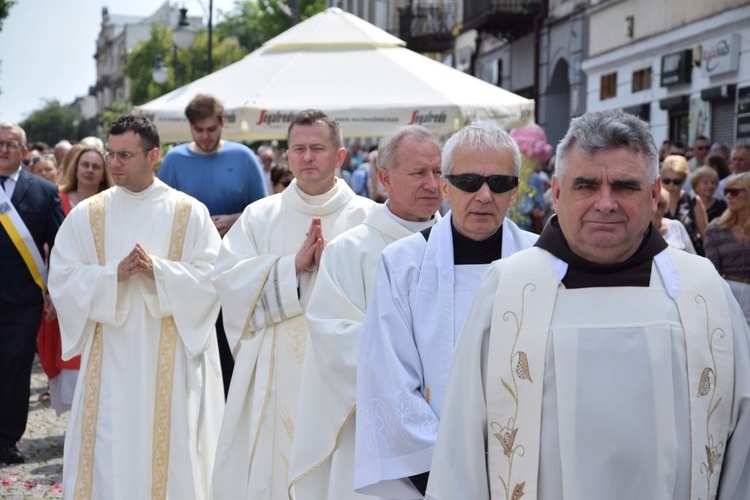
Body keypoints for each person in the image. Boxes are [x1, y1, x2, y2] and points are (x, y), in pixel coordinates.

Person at [426, 110, 750, 500]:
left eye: (625, 186)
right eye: (587, 185)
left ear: (652, 194)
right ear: (559, 193)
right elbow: (461, 448)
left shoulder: (702, 292)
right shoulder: (509, 289)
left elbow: (742, 445)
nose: (606, 203)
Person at [354, 123, 538, 498]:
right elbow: (389, 377)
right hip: (431, 478)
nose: (484, 196)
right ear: (445, 187)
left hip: (528, 466)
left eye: (499, 183)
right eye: (469, 181)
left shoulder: (542, 265)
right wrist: (444, 474)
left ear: (515, 191)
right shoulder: (403, 264)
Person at [48, 116, 224, 498]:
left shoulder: (188, 212)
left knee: (168, 443)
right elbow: (61, 278)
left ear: (154, 155)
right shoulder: (88, 215)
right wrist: (112, 276)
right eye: (111, 154)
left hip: (170, 357)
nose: (115, 163)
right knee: (111, 442)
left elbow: (214, 279)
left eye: (125, 155)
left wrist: (160, 272)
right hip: (108, 355)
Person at [211, 109, 375, 499]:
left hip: (344, 375)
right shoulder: (260, 217)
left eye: (317, 148)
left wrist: (337, 267)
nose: (306, 158)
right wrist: (292, 269)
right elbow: (227, 283)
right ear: (287, 155)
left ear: (339, 156)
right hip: (276, 370)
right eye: (298, 149)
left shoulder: (369, 219)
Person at [288, 125, 443, 499]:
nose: (433, 184)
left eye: (438, 172)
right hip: (374, 431)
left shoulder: (457, 248)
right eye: (419, 173)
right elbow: (332, 337)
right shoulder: (349, 251)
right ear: (385, 178)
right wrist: (410, 365)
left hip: (449, 421)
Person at [158, 94, 268, 398]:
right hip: (192, 270)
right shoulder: (174, 161)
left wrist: (233, 219)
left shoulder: (244, 157)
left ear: (222, 124)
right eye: (199, 130)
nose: (205, 137)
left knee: (234, 341)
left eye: (211, 129)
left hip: (236, 266)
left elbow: (265, 210)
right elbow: (163, 213)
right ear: (190, 128)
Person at [0, 122, 64, 465]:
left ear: (24, 152)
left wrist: (56, 290)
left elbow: (61, 246)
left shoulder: (42, 191)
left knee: (15, 369)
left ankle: (7, 439)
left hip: (22, 301)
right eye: (0, 143)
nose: (4, 149)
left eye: (12, 144)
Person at [37, 146, 114, 416]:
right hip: (67, 291)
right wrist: (53, 292)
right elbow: (51, 250)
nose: (90, 170)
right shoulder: (58, 200)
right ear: (76, 169)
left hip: (101, 289)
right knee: (69, 355)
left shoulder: (113, 203)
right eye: (86, 165)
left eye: (96, 166)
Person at [705, 172, 750, 326]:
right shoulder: (715, 228)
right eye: (726, 192)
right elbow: (712, 270)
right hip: (728, 294)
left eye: (734, 192)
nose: (728, 196)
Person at [661, 154, 708, 255]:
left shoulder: (693, 201)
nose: (671, 185)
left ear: (684, 179)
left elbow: (706, 237)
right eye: (667, 181)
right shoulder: (655, 201)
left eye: (676, 181)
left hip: (691, 257)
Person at [653, 188, 696, 253]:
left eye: (659, 205)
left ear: (666, 207)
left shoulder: (677, 226)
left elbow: (692, 255)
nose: (655, 209)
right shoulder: (640, 230)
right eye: (653, 204)